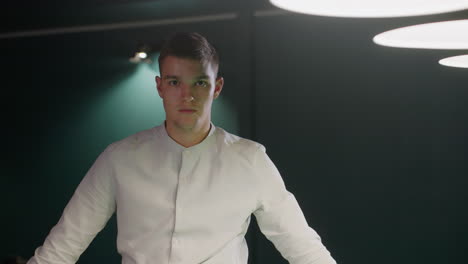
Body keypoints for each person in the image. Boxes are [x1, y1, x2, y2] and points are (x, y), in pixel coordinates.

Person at [27, 32, 336, 264]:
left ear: (216, 88)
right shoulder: (119, 158)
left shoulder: (250, 159)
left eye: (199, 83)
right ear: (160, 86)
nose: (187, 95)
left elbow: (302, 246)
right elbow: (64, 245)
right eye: (175, 82)